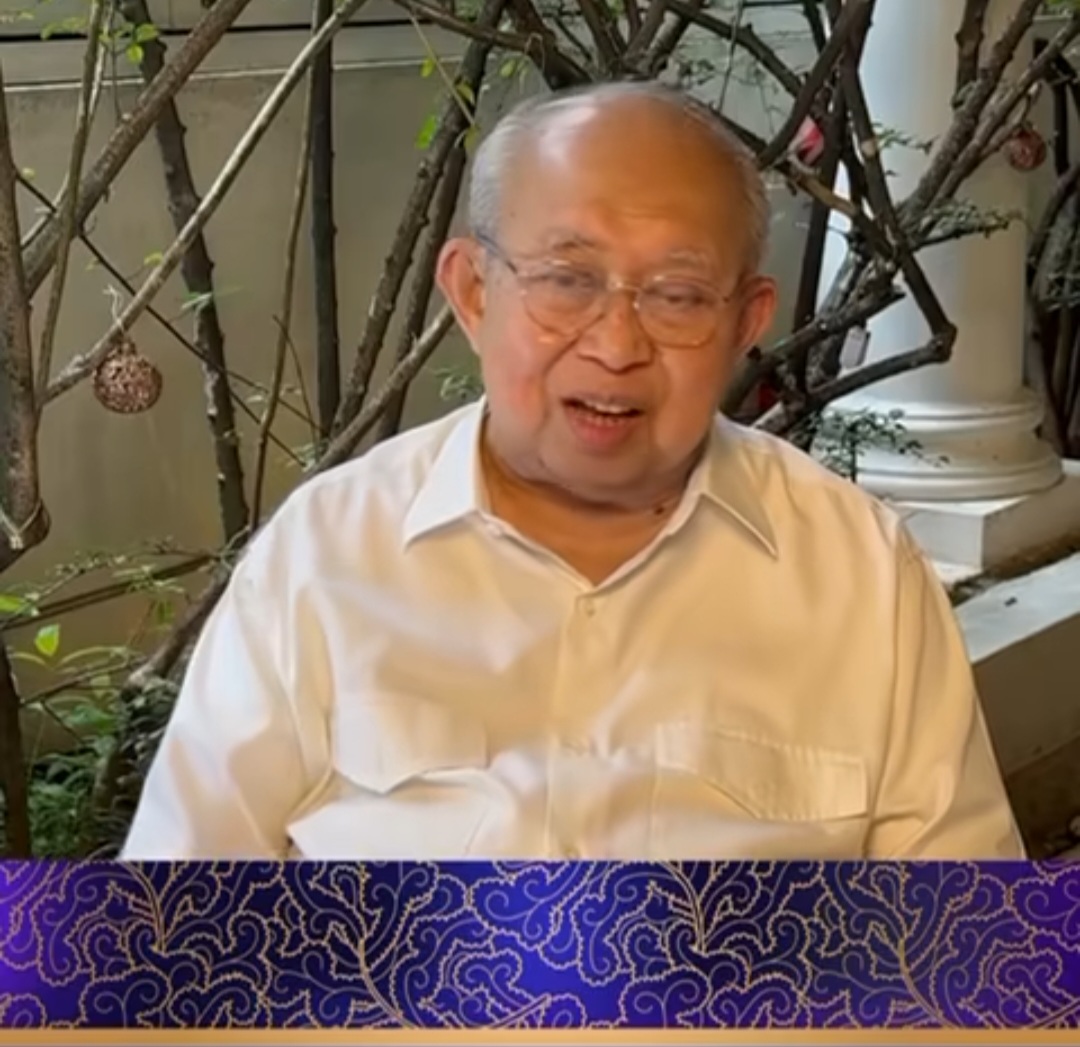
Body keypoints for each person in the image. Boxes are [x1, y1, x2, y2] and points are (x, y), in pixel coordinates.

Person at [122, 81, 1024, 861]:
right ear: (474, 292)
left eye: (676, 295)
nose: (617, 344)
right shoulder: (324, 555)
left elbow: (963, 948)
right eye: (567, 280)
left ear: (746, 321)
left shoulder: (861, 571)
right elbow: (176, 928)